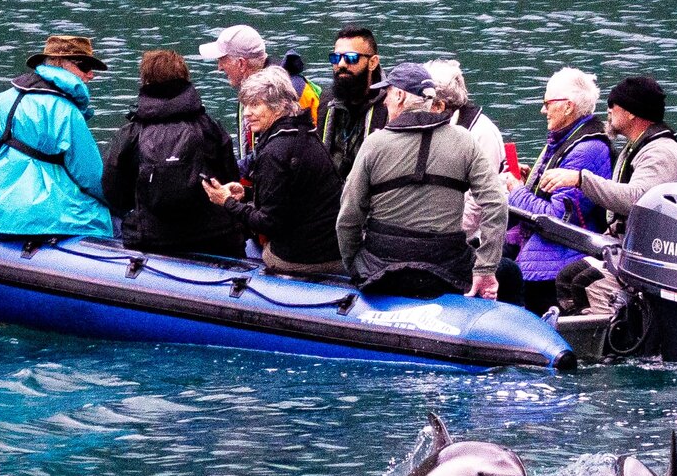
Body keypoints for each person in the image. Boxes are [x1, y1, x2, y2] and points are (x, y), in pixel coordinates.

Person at [337, 63, 508, 300]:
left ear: (399, 96)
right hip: (448, 267)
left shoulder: (374, 145)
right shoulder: (464, 141)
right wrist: (485, 268)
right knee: (511, 274)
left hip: (380, 268)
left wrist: (355, 264)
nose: (384, 102)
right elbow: (496, 203)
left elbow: (348, 218)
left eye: (386, 94)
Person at [542, 76, 677, 313]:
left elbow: (637, 199)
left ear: (632, 113)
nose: (608, 111)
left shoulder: (660, 152)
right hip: (629, 246)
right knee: (568, 277)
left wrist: (581, 179)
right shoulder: (635, 147)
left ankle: (613, 338)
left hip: (654, 255)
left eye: (614, 105)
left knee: (585, 282)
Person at [102, 49, 245, 258]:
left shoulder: (130, 134)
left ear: (145, 80)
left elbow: (113, 192)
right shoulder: (210, 128)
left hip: (152, 239)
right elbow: (231, 179)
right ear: (185, 77)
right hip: (215, 237)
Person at [201, 67, 343, 276]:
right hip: (329, 247)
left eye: (255, 105)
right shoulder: (305, 133)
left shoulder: (275, 151)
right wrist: (246, 194)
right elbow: (292, 197)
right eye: (246, 105)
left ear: (278, 107)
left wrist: (227, 202)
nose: (247, 113)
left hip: (302, 258)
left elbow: (269, 224)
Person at [0, 34, 113, 238]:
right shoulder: (67, 112)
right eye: (84, 66)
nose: (91, 74)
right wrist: (118, 204)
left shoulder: (2, 100)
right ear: (59, 63)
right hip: (55, 219)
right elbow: (92, 178)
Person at [504, 67, 613, 314]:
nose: (543, 110)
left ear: (567, 106)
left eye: (547, 103)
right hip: (543, 260)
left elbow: (558, 216)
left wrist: (517, 191)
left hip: (556, 265)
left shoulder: (586, 150)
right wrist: (530, 181)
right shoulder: (566, 141)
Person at [424, 58, 520, 304]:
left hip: (467, 240)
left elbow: (481, 203)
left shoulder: (481, 133)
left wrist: (441, 233)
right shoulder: (436, 129)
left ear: (439, 103)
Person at [198, 24, 322, 164]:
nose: (219, 67)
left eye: (222, 59)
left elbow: (307, 153)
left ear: (241, 64)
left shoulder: (292, 92)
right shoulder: (251, 91)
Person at [318, 24, 388, 179]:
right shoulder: (326, 104)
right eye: (336, 58)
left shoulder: (389, 106)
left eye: (351, 58)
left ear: (373, 62)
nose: (341, 64)